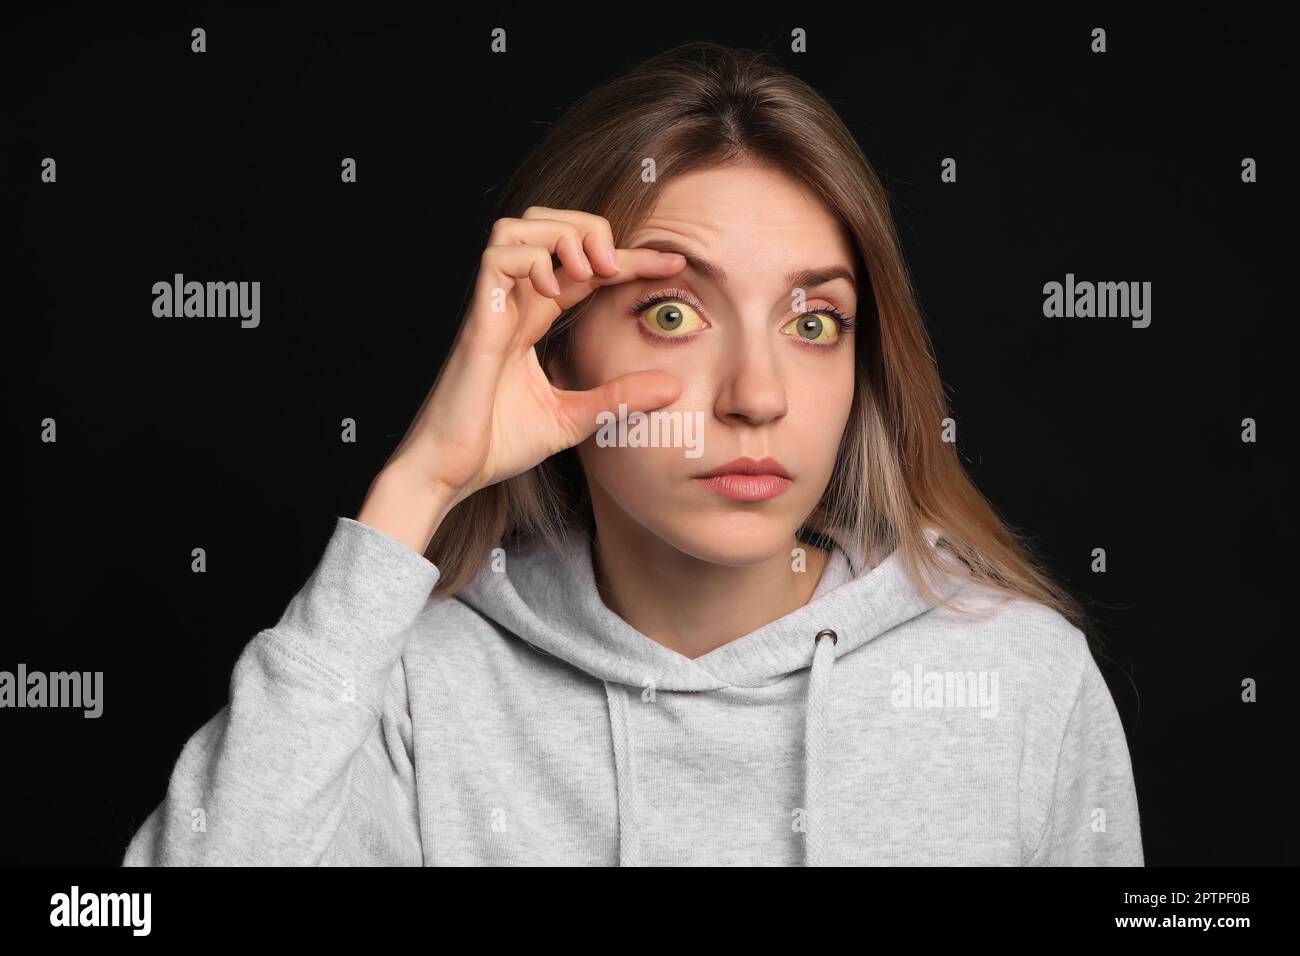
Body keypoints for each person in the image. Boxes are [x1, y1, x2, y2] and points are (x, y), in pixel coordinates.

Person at [122, 41, 1142, 866]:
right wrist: (418, 483)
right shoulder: (414, 688)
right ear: (553, 348)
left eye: (813, 322)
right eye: (670, 310)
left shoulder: (1017, 679)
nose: (756, 396)